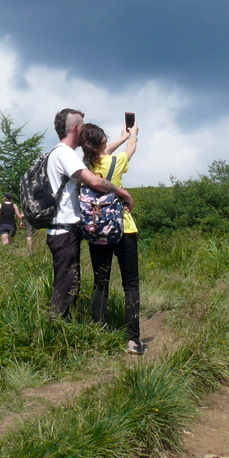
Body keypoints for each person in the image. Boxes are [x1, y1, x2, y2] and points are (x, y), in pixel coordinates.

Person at [45, 108, 133, 320]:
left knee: (70, 282)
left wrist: (123, 138)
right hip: (63, 230)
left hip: (63, 229)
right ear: (76, 127)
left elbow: (100, 155)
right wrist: (124, 194)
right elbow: (94, 181)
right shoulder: (65, 153)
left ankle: (60, 329)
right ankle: (54, 334)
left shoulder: (61, 153)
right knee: (66, 286)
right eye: (83, 127)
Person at [79, 121, 143, 353]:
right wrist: (133, 136)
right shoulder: (117, 162)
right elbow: (130, 151)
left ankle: (100, 333)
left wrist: (122, 137)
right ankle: (133, 340)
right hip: (124, 228)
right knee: (131, 284)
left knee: (101, 284)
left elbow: (103, 154)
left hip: (97, 230)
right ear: (102, 141)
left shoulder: (86, 165)